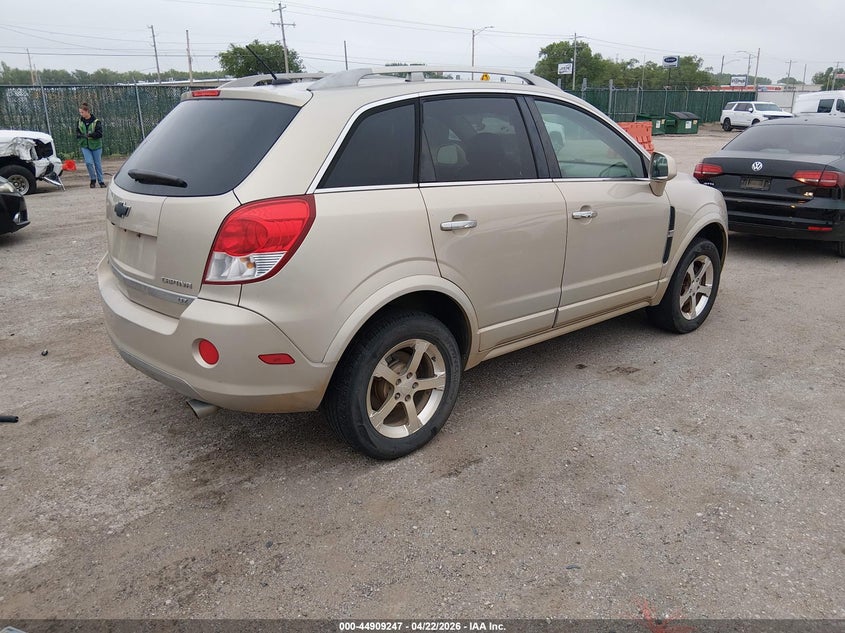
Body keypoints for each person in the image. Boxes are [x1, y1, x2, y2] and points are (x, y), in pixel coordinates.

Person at [76, 103, 105, 188]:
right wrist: (81, 136)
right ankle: (93, 179)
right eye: (80, 112)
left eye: (82, 112)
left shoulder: (96, 121)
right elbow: (77, 132)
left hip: (96, 146)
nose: (81, 114)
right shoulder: (80, 122)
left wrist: (90, 135)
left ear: (87, 111)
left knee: (97, 164)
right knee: (88, 163)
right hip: (85, 145)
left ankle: (101, 181)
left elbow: (99, 134)